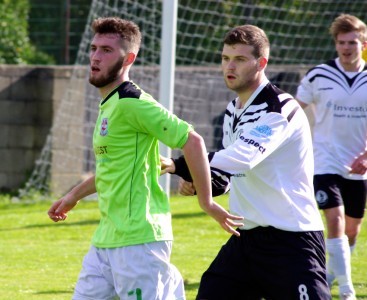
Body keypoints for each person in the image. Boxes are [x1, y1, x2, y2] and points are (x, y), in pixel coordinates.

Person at [47, 17, 241, 300]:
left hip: (139, 242)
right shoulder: (110, 104)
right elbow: (110, 169)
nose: (95, 56)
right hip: (106, 241)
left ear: (129, 58)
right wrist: (72, 197)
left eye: (106, 50)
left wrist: (207, 201)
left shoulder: (133, 102)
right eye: (94, 48)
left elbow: (192, 140)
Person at [161, 24, 331, 299]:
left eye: (239, 59)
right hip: (247, 239)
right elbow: (229, 177)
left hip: (292, 239)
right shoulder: (233, 111)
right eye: (225, 58)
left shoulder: (280, 108)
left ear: (261, 62)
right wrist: (199, 180)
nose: (230, 66)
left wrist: (180, 164)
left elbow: (244, 158)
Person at [296, 14, 367, 300]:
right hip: (324, 161)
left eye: (352, 42)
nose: (346, 48)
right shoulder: (318, 75)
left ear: (363, 43)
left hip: (359, 166)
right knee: (334, 220)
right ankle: (347, 292)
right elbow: (292, 110)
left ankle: (328, 275)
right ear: (335, 44)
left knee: (352, 230)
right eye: (341, 42)